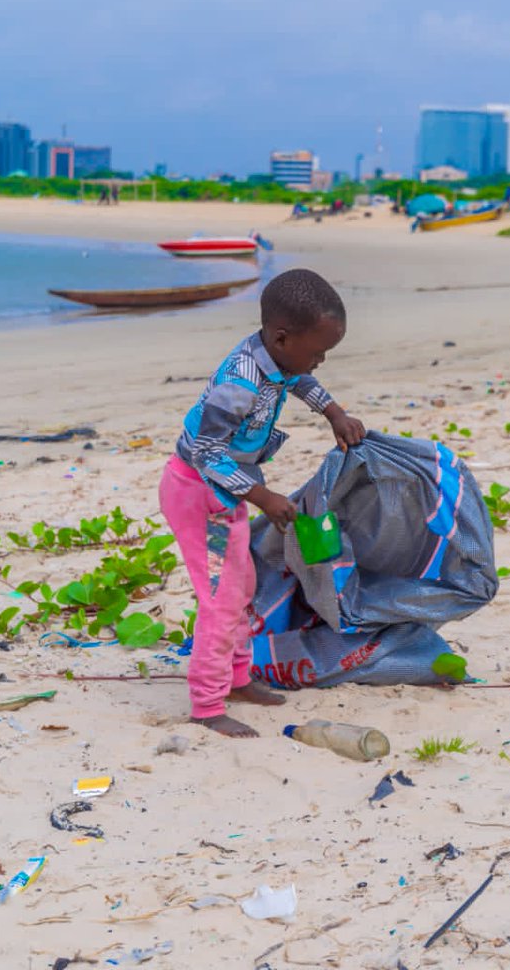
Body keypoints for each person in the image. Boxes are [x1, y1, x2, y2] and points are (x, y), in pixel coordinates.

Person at [159, 269, 365, 738]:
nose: (321, 362)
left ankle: (237, 679)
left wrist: (334, 412)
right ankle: (208, 705)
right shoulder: (241, 382)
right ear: (281, 336)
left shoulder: (276, 358)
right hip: (198, 493)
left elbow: (299, 381)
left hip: (225, 492)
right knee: (221, 600)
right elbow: (205, 452)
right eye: (318, 352)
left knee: (242, 585)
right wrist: (263, 496)